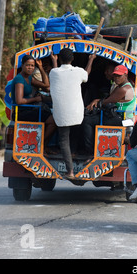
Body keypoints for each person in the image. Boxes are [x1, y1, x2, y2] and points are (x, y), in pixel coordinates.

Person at [49, 48, 95, 178]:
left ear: (60, 59)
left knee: (64, 140)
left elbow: (57, 72)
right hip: (77, 113)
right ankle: (84, 152)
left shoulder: (53, 72)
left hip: (61, 114)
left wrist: (54, 61)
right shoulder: (78, 71)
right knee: (79, 127)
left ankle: (70, 171)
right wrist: (91, 59)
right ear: (73, 59)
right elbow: (87, 74)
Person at [11, 54, 56, 148]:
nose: (30, 68)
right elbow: (19, 101)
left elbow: (46, 85)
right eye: (27, 65)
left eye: (32, 66)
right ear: (22, 65)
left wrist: (40, 67)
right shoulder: (20, 79)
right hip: (21, 111)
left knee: (51, 116)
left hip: (30, 108)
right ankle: (40, 145)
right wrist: (35, 99)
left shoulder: (29, 78)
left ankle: (43, 146)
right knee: (53, 121)